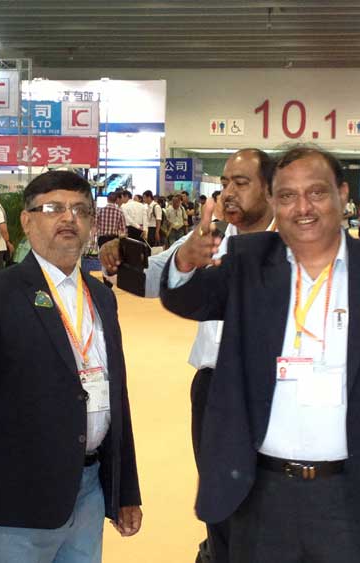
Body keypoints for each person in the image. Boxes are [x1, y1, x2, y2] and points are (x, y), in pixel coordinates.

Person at [161, 146, 360, 562]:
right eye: (287, 196)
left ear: (342, 194)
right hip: (261, 496)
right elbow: (188, 300)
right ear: (273, 202)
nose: (302, 207)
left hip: (358, 496)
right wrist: (184, 261)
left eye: (316, 192)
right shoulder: (249, 263)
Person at [0, 171, 142, 563]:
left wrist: (125, 490)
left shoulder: (102, 297)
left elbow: (117, 397)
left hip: (88, 491)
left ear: (92, 223)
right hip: (15, 500)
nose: (68, 218)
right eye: (53, 208)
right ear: (27, 221)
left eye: (80, 210)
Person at [102, 148, 275, 563]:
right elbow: (153, 279)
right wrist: (119, 256)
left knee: (275, 497)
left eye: (241, 183)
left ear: (271, 189)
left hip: (278, 387)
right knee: (220, 494)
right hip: (215, 388)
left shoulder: (294, 244)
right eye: (225, 184)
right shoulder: (208, 237)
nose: (228, 193)